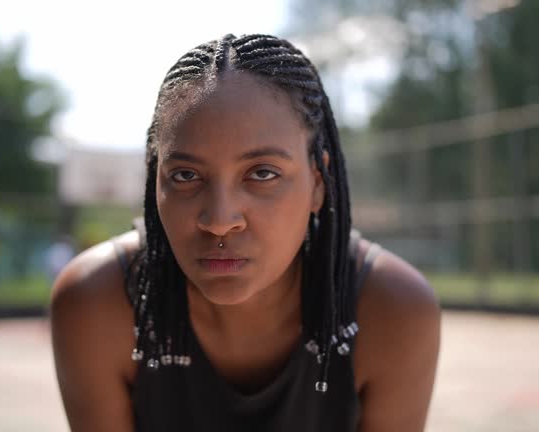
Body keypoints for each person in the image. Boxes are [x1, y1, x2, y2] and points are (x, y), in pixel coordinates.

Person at [50, 34, 440, 432]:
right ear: (155, 183)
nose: (219, 220)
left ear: (318, 182)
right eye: (185, 176)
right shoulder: (99, 303)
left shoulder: (391, 311)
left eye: (262, 174)